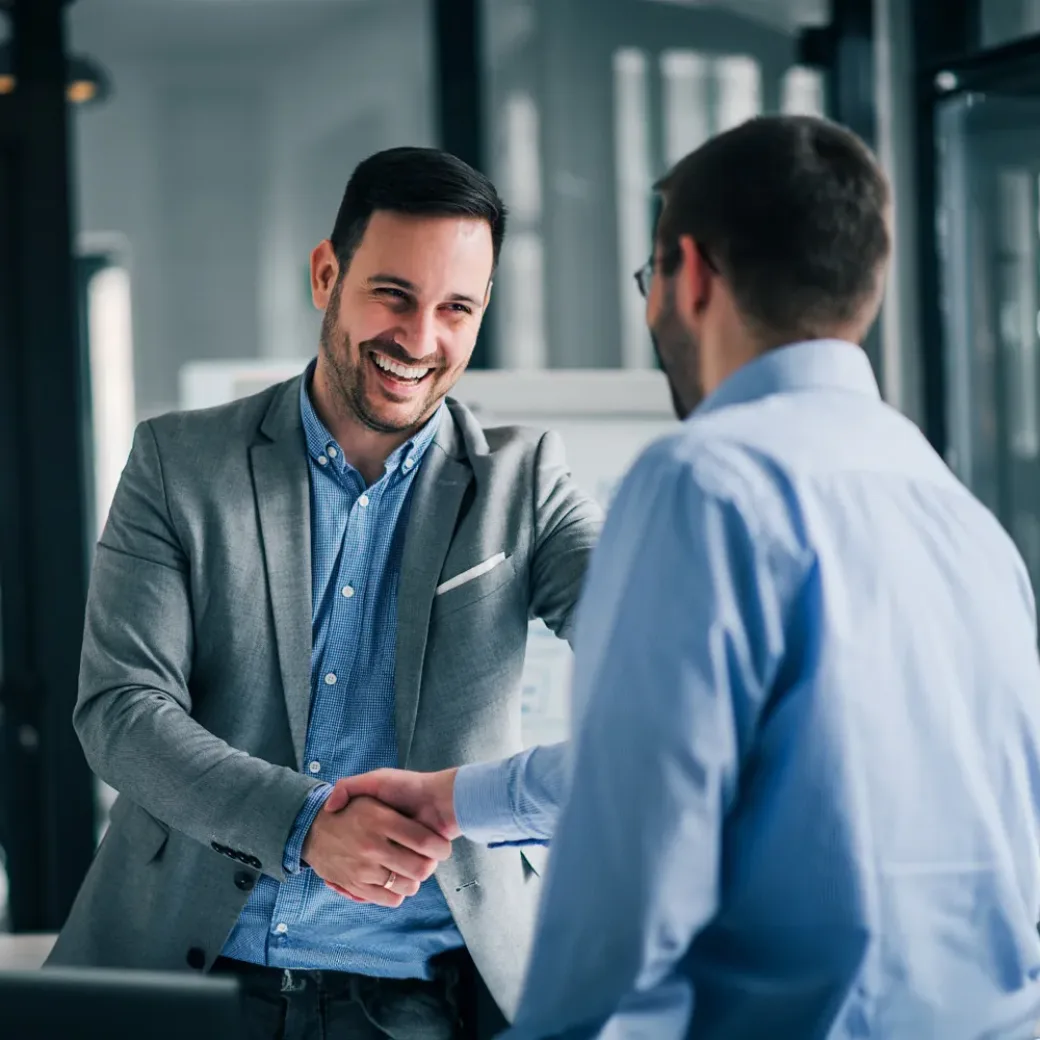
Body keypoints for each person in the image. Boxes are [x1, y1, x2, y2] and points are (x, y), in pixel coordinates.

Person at [335, 115, 1040, 1039]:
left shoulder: (705, 482)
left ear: (692, 274)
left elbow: (634, 852)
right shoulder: (964, 521)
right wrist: (457, 799)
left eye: (651, 278)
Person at [47, 147, 602, 1040]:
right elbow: (120, 709)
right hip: (185, 981)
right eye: (393, 295)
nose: (420, 340)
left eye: (455, 308)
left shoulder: (524, 480)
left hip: (414, 1004)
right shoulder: (178, 462)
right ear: (326, 275)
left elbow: (652, 634)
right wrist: (303, 824)